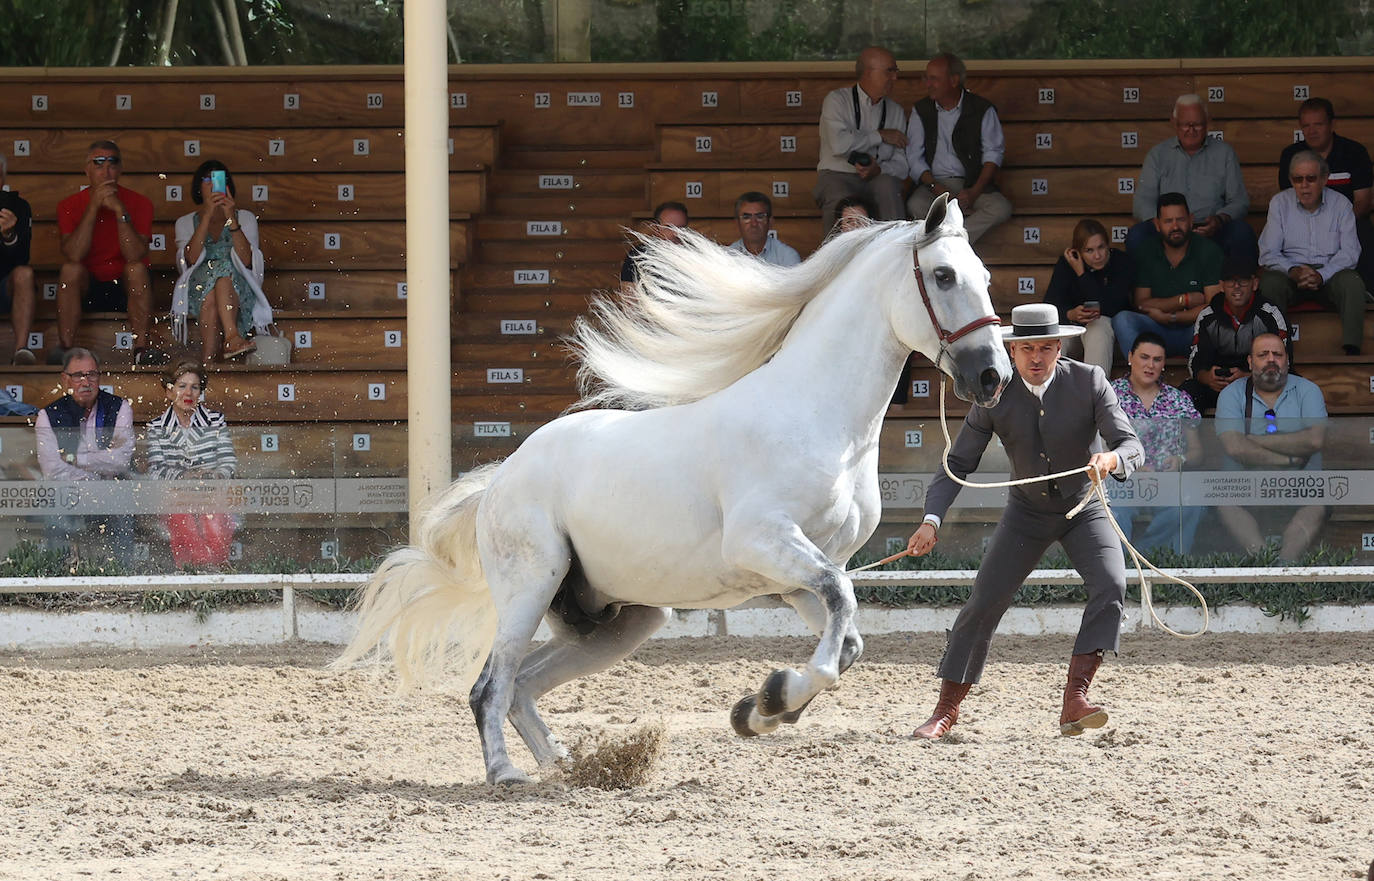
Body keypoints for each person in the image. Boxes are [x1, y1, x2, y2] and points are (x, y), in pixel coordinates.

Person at [906, 303, 1144, 739]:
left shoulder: (1089, 381)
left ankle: (1076, 699)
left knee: (1113, 585)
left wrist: (1111, 458)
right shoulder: (993, 394)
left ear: (1060, 347)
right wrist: (931, 519)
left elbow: (1130, 445)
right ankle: (945, 709)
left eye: (1046, 348)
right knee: (984, 602)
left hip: (1084, 508)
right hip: (1025, 514)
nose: (1036, 358)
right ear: (1011, 351)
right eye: (1027, 348)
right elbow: (958, 462)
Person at [1215, 333, 1328, 562]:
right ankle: (1264, 564)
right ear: (1250, 361)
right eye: (1263, 354)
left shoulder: (1308, 390)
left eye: (1277, 354)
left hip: (1300, 485)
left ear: (1287, 360)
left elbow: (1315, 440)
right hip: (1246, 485)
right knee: (1225, 504)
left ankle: (1284, 568)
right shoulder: (1231, 394)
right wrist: (1288, 458)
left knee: (1317, 505)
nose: (1271, 360)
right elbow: (1234, 447)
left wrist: (1252, 439)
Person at [55, 140, 166, 367]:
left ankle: (141, 348)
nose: (106, 170)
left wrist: (120, 210)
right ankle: (66, 350)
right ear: (87, 169)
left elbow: (135, 254)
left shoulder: (140, 203)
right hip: (89, 286)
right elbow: (74, 254)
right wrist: (94, 206)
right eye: (98, 163)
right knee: (70, 270)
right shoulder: (69, 204)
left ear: (120, 169)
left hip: (126, 287)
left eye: (112, 163)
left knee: (135, 268)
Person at [1257, 150, 1365, 356]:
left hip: (1330, 274)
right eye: (1298, 179)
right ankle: (1277, 348)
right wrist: (1292, 270)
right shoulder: (1280, 203)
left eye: (1311, 178)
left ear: (1324, 179)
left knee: (1352, 282)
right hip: (1290, 274)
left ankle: (1352, 350)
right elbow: (1268, 252)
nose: (1304, 185)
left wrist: (1322, 274)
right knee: (1269, 283)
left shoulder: (1341, 204)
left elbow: (1351, 252)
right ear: (1290, 180)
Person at [34, 348, 136, 561]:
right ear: (65, 379)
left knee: (123, 505)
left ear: (99, 377)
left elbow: (121, 460)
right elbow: (53, 469)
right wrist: (97, 472)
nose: (86, 381)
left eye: (91, 374)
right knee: (55, 507)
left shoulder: (120, 407)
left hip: (109, 492)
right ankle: (57, 581)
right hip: (70, 492)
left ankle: (124, 579)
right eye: (78, 375)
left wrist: (77, 459)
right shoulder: (48, 415)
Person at [1109, 332, 1204, 554]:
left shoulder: (1178, 398)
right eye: (1144, 357)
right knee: (1112, 509)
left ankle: (1148, 558)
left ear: (1163, 364)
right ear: (1131, 357)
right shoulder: (1110, 395)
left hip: (1167, 482)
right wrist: (1128, 466)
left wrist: (1180, 459)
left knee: (1191, 504)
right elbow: (1097, 445)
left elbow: (1198, 452)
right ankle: (1120, 571)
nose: (1150, 365)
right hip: (1124, 483)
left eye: (1157, 359)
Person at [172, 159, 274, 363]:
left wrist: (230, 217)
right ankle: (232, 337)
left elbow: (246, 260)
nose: (213, 183)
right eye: (207, 178)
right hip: (198, 286)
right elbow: (190, 259)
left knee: (219, 282)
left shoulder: (244, 217)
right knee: (212, 289)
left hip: (238, 286)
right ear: (198, 186)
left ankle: (207, 363)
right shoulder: (184, 222)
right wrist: (208, 214)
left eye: (218, 178)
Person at [1128, 94, 1255, 259]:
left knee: (1241, 232)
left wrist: (1219, 220)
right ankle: (1142, 286)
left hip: (1210, 228)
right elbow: (1142, 202)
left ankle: (1235, 285)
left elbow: (1239, 201)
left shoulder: (1224, 153)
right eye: (1185, 125)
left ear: (1207, 123)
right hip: (1168, 228)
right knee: (1137, 235)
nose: (1191, 130)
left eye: (1197, 125)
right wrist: (1161, 224)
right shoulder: (1158, 154)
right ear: (1174, 123)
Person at [904, 52, 1012, 244]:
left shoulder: (982, 109)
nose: (928, 84)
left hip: (971, 184)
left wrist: (974, 191)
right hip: (934, 184)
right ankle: (953, 241)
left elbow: (993, 155)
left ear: (954, 80)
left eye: (934, 79)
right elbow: (914, 158)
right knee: (916, 205)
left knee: (1000, 208)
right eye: (926, 78)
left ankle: (949, 241)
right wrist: (935, 186)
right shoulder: (921, 110)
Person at [144, 360, 238, 568]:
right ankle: (207, 568)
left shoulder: (215, 420)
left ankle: (207, 571)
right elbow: (155, 471)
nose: (188, 393)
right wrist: (183, 477)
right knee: (180, 514)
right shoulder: (157, 426)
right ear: (169, 392)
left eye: (194, 387)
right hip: (175, 496)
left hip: (211, 493)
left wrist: (214, 476)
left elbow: (228, 462)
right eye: (182, 386)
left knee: (212, 516)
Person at [1276, 97, 1374, 291]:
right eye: (1306, 126)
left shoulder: (1354, 152)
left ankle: (1368, 293)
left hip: (1346, 223)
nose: (1312, 131)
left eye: (1318, 124)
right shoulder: (1291, 155)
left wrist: (1336, 225)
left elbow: (1362, 203)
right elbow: (1289, 200)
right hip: (1303, 223)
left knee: (1363, 229)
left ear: (1332, 124)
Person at [1113, 193, 1222, 358]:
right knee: (1123, 320)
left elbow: (1213, 306)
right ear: (1157, 224)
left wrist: (1171, 316)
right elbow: (1142, 303)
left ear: (1191, 220)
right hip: (1155, 331)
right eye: (1168, 221)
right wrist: (1183, 300)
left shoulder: (1208, 250)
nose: (1175, 226)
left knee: (1217, 320)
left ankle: (1203, 374)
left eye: (1181, 220)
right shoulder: (1146, 250)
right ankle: (1139, 378)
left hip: (1195, 331)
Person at [813, 46, 908, 234]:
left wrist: (879, 169)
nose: (895, 78)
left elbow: (902, 166)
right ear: (868, 72)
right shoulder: (837, 100)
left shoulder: (896, 111)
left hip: (878, 176)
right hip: (838, 174)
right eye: (890, 71)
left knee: (888, 186)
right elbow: (840, 145)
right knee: (839, 195)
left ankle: (895, 255)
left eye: (895, 72)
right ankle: (836, 261)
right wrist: (879, 135)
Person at [1183, 255, 1290, 412]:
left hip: (1260, 382)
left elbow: (1285, 362)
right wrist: (1208, 377)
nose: (1237, 286)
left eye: (1243, 281)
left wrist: (1248, 376)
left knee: (1289, 388)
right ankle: (1191, 438)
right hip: (1218, 385)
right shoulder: (1207, 315)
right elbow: (1196, 362)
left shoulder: (1270, 314)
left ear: (1255, 284)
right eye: (1230, 281)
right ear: (1221, 285)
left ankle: (1271, 436)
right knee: (1188, 393)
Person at [1043, 218, 1134, 376]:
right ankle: (1051, 395)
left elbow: (1112, 305)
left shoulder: (1120, 261)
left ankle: (1095, 395)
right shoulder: (1067, 264)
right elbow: (1050, 305)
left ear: (1108, 245)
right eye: (1089, 251)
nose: (1097, 256)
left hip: (1109, 335)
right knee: (1059, 339)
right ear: (1077, 251)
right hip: (1075, 329)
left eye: (1101, 247)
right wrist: (1070, 314)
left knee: (1097, 328)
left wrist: (1082, 274)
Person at [0, 152, 37, 365]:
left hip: (5, 287)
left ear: (3, 179)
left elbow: (23, 259)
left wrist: (9, 235)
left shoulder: (17, 207)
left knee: (25, 274)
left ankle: (21, 351)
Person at [620, 201, 689, 291]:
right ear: (656, 229)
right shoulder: (638, 256)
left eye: (681, 228)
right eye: (669, 228)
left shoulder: (695, 257)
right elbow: (629, 299)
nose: (676, 233)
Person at [728, 192, 801, 266]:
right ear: (737, 223)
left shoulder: (787, 257)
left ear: (771, 222)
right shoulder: (728, 258)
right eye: (746, 217)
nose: (754, 223)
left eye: (760, 217)